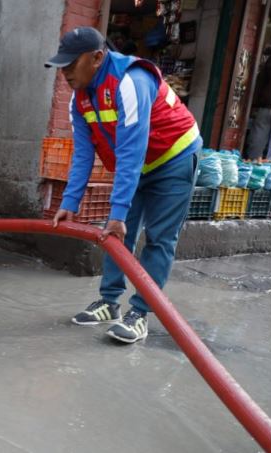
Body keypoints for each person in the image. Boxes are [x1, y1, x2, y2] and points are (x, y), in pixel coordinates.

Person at [45, 27, 202, 344]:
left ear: (97, 57)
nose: (65, 74)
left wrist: (118, 211)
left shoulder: (131, 81)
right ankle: (109, 302)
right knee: (114, 235)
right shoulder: (81, 98)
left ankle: (140, 313)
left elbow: (131, 150)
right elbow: (84, 152)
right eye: (61, 67)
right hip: (138, 165)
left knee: (158, 239)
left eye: (70, 65)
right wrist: (69, 203)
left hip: (174, 158)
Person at [244, 46, 271, 163]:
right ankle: (270, 167)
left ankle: (253, 161)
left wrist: (253, 104)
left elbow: (260, 82)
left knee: (259, 134)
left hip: (267, 105)